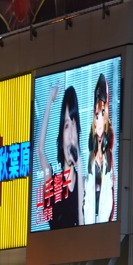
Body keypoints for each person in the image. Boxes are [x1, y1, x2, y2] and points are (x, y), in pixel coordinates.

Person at [38, 84, 84, 229]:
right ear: (61, 136)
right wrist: (49, 101)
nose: (71, 133)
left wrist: (80, 166)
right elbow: (40, 149)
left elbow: (84, 228)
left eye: (74, 125)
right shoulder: (54, 183)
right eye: (66, 125)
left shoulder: (83, 181)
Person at [86, 74, 116, 225]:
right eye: (97, 115)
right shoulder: (90, 155)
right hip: (89, 220)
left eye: (102, 114)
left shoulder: (109, 155)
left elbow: (110, 189)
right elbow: (87, 195)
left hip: (104, 219)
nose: (99, 120)